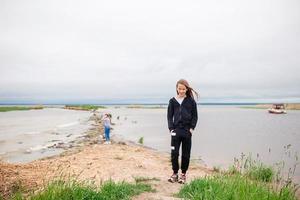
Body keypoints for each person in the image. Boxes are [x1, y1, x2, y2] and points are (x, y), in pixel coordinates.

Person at [167, 79, 198, 184]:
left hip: (186, 132)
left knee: (186, 155)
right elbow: (169, 116)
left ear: (186, 89)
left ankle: (183, 175)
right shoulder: (172, 101)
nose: (181, 91)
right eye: (179, 88)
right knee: (174, 153)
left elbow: (195, 116)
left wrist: (192, 128)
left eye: (183, 89)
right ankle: (175, 173)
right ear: (177, 88)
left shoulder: (191, 101)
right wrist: (171, 128)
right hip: (175, 132)